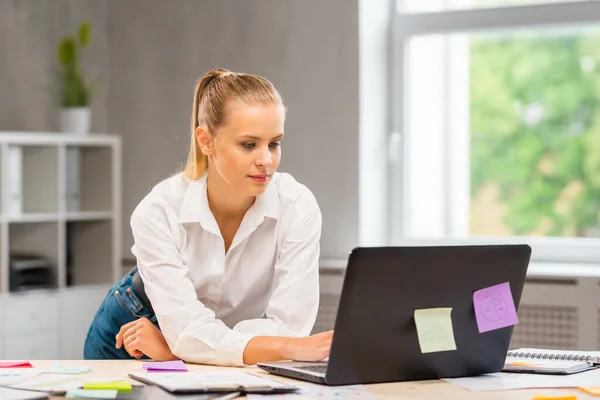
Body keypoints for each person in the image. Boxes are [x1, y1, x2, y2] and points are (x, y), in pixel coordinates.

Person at [83, 68, 333, 366]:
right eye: (249, 144)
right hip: (136, 334)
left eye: (274, 143)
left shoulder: (297, 206)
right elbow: (189, 330)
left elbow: (290, 327)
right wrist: (191, 345)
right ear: (206, 142)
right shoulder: (158, 212)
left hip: (189, 345)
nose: (266, 160)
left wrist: (184, 351)